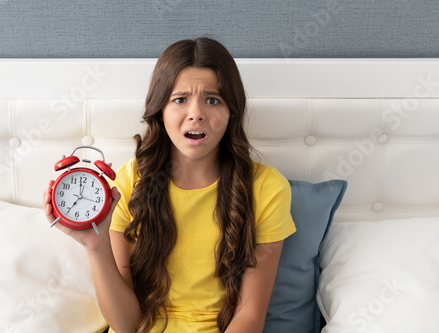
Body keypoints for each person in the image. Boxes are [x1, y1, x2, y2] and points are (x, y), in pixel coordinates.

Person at [43, 37, 296, 333]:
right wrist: (96, 246)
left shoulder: (266, 187)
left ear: (231, 112)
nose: (196, 113)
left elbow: (250, 316)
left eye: (212, 99)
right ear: (160, 111)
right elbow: (126, 324)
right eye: (180, 99)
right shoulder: (128, 181)